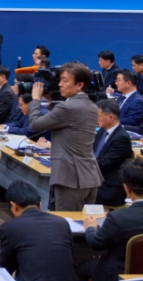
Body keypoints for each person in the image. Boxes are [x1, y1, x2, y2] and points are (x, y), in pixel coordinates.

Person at [25, 63, 102, 210]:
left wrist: (36, 99)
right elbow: (63, 118)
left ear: (79, 85)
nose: (60, 84)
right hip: (90, 176)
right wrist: (49, 100)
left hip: (70, 179)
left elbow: (35, 124)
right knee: (84, 224)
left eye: (65, 80)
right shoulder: (91, 105)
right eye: (60, 80)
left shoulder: (67, 107)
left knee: (67, 224)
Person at [93, 99, 135, 207]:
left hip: (108, 188)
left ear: (110, 117)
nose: (97, 119)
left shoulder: (121, 138)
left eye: (99, 116)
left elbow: (104, 163)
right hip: (95, 180)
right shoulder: (102, 131)